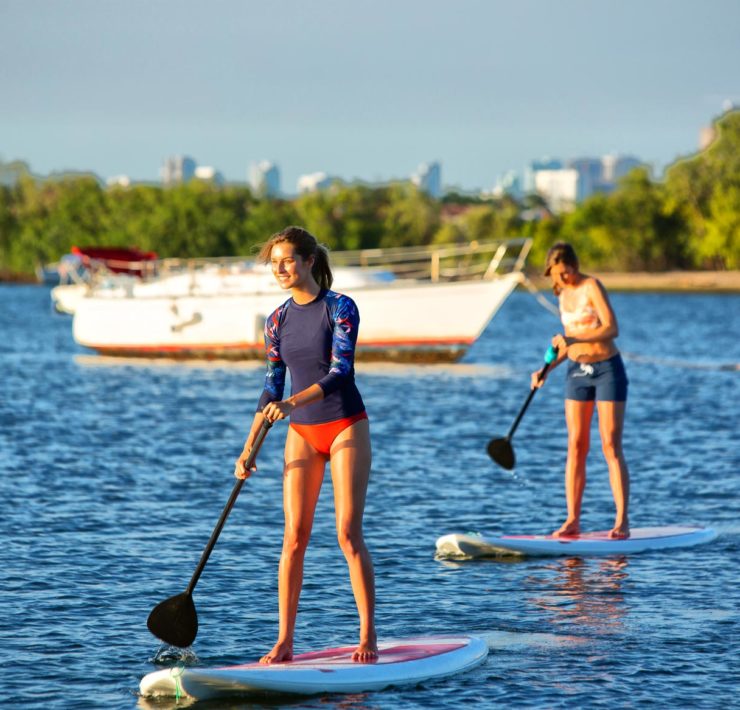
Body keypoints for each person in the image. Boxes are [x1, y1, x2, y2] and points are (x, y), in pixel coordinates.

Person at [235, 226, 377, 664]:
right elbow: (271, 386)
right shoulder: (276, 320)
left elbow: (340, 373)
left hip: (344, 427)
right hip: (302, 434)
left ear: (309, 261)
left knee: (347, 534)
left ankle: (368, 635)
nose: (279, 268)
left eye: (287, 260)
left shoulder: (340, 308)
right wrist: (248, 447)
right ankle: (284, 641)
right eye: (274, 262)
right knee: (294, 537)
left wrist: (292, 403)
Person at [531, 242, 630, 539]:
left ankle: (622, 521)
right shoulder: (562, 293)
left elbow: (612, 328)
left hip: (606, 370)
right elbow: (567, 345)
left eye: (566, 272)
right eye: (556, 274)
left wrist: (572, 336)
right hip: (576, 373)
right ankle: (572, 520)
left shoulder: (591, 286)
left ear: (574, 265)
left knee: (610, 445)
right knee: (576, 445)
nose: (561, 279)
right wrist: (545, 369)